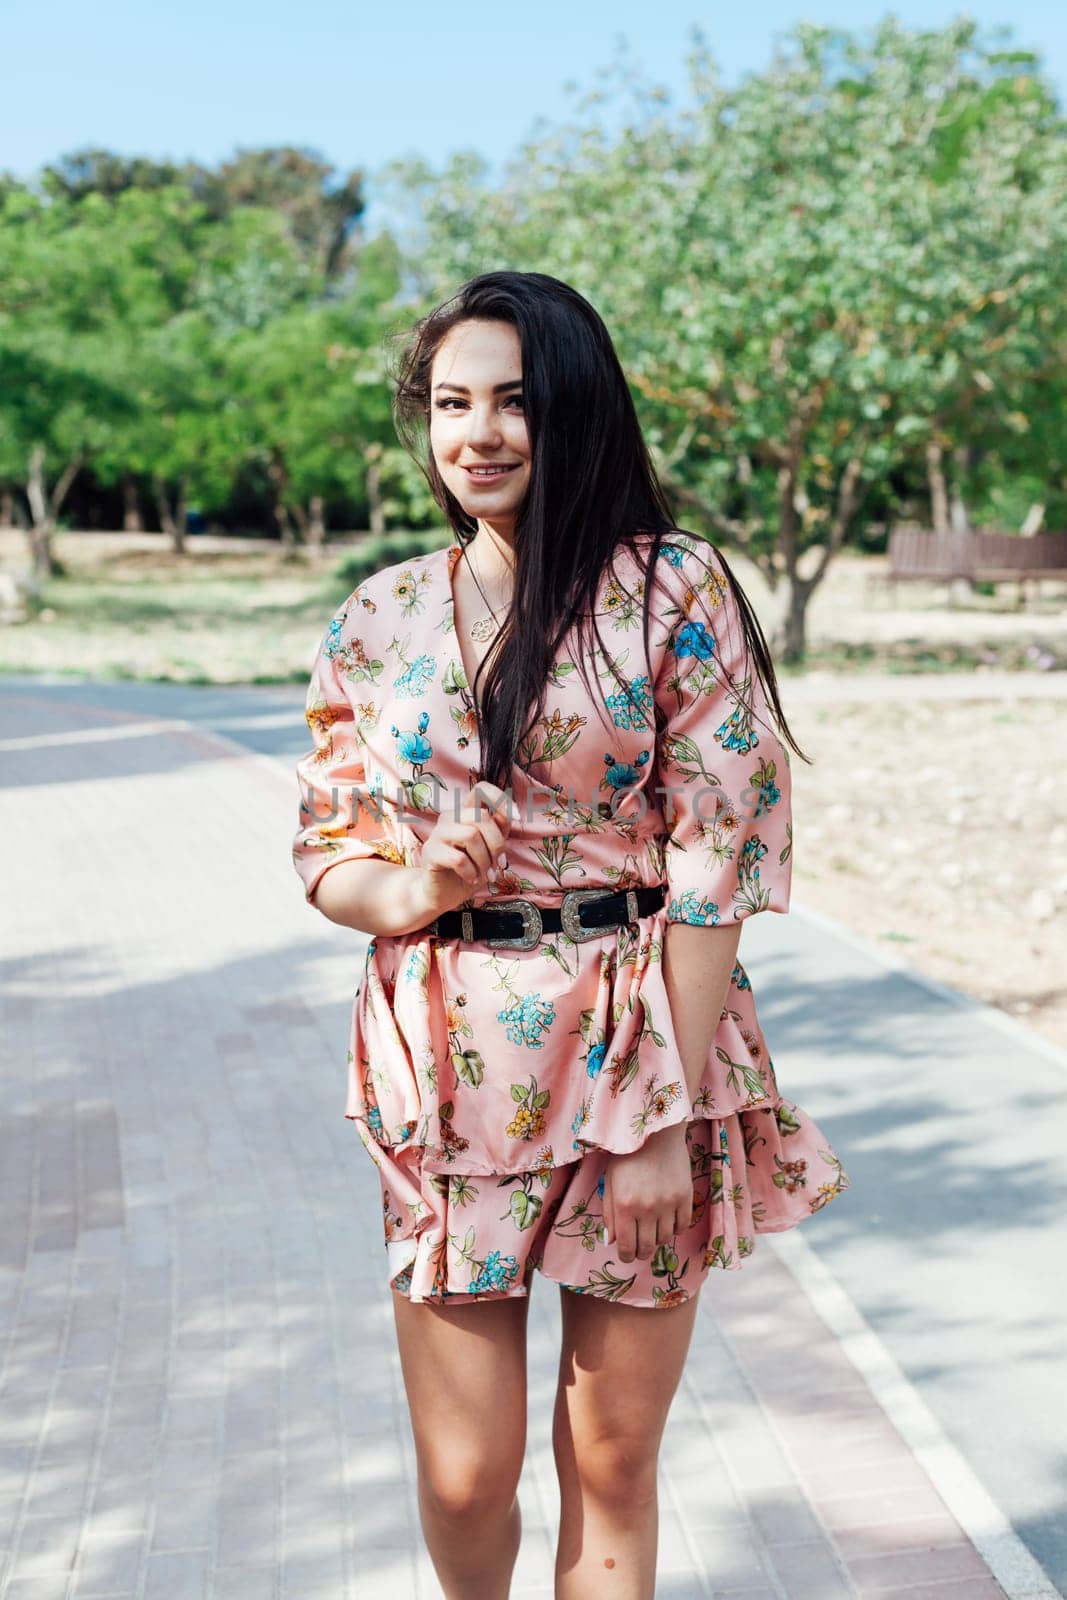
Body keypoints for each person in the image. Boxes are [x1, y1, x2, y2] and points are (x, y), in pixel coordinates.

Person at [292, 270, 849, 1599]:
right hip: (442, 1064)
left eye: (514, 401)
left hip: (638, 1046)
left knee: (609, 1459)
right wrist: (411, 885)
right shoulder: (381, 615)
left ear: (576, 412)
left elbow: (718, 859)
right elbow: (328, 854)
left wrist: (661, 1114)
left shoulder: (671, 591)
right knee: (466, 1472)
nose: (477, 432)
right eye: (450, 403)